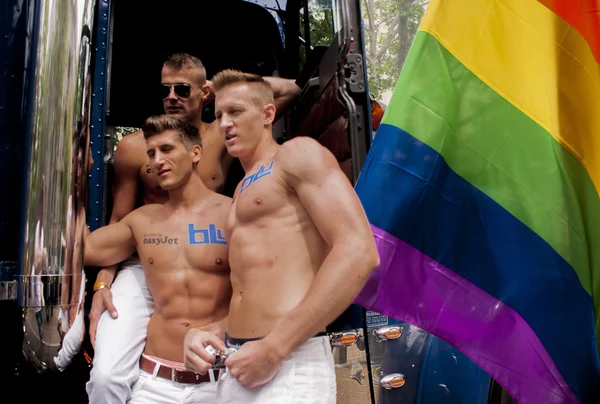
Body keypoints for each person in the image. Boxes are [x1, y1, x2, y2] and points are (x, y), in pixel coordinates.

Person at [87, 53, 300, 403]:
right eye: (166, 88)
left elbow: (287, 91)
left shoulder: (222, 132)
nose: (172, 96)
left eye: (182, 89)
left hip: (208, 248)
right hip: (146, 258)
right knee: (107, 375)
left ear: (203, 93)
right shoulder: (134, 147)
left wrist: (221, 84)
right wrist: (102, 283)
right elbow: (118, 223)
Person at [183, 70, 380, 403]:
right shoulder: (242, 190)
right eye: (218, 116)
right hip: (241, 363)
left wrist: (276, 348)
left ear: (267, 114)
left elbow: (359, 250)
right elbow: (260, 293)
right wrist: (207, 333)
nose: (225, 124)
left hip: (289, 362)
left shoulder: (295, 155)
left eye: (235, 111)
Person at [84, 115, 232, 403]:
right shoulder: (141, 222)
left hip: (220, 383)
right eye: (151, 153)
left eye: (167, 150)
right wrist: (76, 175)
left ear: (196, 153)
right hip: (154, 386)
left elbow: (261, 289)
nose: (156, 160)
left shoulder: (233, 214)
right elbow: (84, 250)